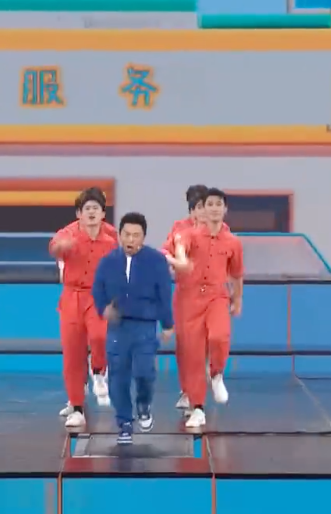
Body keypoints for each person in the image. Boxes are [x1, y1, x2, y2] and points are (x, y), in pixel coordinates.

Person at [92, 212, 175, 445]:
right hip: (118, 327)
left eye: (136, 235)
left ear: (144, 237)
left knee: (144, 372)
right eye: (126, 234)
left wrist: (167, 324)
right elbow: (97, 290)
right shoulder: (107, 262)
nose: (131, 239)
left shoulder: (156, 261)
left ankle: (144, 405)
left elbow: (165, 294)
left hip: (145, 326)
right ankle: (125, 423)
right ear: (119, 235)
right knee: (118, 377)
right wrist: (103, 309)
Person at [166, 188, 244, 430]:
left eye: (218, 204)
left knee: (219, 336)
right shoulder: (187, 234)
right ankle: (197, 407)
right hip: (189, 298)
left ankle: (217, 373)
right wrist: (180, 260)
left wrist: (238, 299)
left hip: (216, 296)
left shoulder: (232, 241)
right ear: (202, 209)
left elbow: (236, 274)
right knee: (193, 353)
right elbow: (178, 248)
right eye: (209, 204)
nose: (213, 208)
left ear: (225, 209)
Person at [50, 188, 118, 427]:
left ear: (103, 213)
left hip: (98, 296)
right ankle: (76, 406)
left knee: (99, 337)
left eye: (95, 208)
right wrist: (62, 247)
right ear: (79, 213)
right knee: (73, 353)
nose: (91, 213)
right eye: (87, 208)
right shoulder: (68, 233)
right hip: (72, 296)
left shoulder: (111, 239)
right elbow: (54, 246)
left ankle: (98, 371)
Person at [161, 185, 208, 411]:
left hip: (210, 293)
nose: (201, 211)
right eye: (196, 206)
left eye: (204, 205)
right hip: (185, 292)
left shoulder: (220, 227)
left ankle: (205, 376)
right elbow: (165, 251)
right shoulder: (179, 228)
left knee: (209, 340)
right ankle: (187, 390)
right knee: (185, 344)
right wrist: (175, 263)